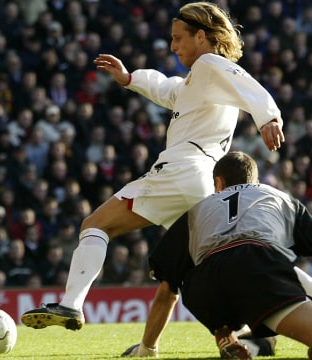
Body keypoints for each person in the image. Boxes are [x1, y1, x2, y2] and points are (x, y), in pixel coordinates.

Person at [21, 2, 285, 330]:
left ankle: (71, 304)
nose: (173, 46)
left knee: (96, 224)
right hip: (202, 180)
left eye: (178, 38)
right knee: (224, 262)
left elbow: (244, 82)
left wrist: (268, 117)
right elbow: (166, 88)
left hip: (180, 171)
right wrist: (129, 78)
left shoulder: (210, 65)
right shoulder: (199, 86)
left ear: (201, 36)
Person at [124, 152, 312, 359]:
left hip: (203, 289)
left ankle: (236, 339)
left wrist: (148, 347)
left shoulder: (197, 211)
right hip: (257, 268)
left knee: (254, 316)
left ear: (219, 183)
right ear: (255, 181)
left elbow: (167, 292)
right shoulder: (280, 199)